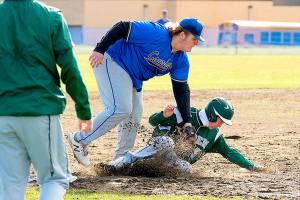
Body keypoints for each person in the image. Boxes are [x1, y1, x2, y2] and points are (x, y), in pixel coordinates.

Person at [68, 17, 205, 167]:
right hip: (112, 59)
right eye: (194, 38)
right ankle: (79, 139)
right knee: (120, 108)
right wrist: (100, 49)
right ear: (181, 34)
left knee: (135, 113)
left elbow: (181, 90)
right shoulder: (156, 33)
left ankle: (120, 161)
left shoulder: (181, 60)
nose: (196, 42)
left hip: (132, 76)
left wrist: (186, 122)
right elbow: (122, 27)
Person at [0, 0, 92, 199]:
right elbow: (69, 68)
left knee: (9, 187)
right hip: (39, 110)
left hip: (3, 113)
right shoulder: (51, 16)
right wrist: (83, 109)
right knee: (54, 180)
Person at [100, 97, 265, 176]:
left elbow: (229, 152)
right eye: (222, 120)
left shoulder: (214, 135)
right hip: (158, 148)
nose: (222, 124)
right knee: (166, 141)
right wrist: (164, 115)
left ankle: (138, 171)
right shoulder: (185, 112)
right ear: (213, 115)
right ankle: (124, 161)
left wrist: (250, 166)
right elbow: (152, 121)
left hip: (169, 164)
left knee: (186, 168)